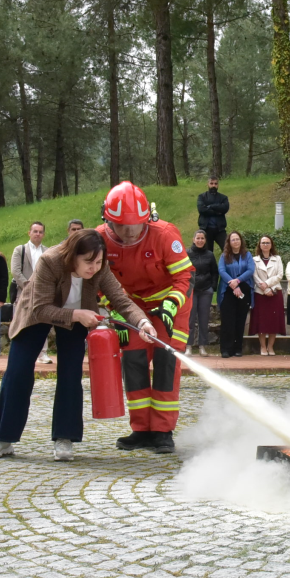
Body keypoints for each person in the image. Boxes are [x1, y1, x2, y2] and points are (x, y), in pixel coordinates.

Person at [0, 229, 156, 463]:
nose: (94, 268)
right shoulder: (49, 261)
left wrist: (143, 323)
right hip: (37, 314)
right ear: (73, 255)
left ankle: (64, 437)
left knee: (70, 375)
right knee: (17, 373)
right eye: (88, 262)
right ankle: (2, 438)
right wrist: (76, 314)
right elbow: (40, 309)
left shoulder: (99, 267)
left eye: (98, 262)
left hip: (77, 318)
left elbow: (121, 300)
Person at [97, 181, 194, 455]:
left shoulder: (164, 234)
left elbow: (184, 278)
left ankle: (163, 431)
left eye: (134, 227)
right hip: (128, 308)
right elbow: (97, 282)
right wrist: (115, 312)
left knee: (165, 364)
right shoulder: (99, 239)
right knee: (134, 363)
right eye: (121, 227)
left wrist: (171, 306)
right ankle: (141, 429)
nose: (128, 234)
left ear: (147, 219)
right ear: (107, 219)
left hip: (169, 306)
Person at [12, 221, 52, 364]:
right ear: (29, 233)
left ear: (43, 234)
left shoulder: (48, 251)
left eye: (40, 232)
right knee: (22, 321)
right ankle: (22, 352)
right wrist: (28, 286)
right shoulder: (20, 250)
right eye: (35, 231)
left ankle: (43, 353)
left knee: (43, 322)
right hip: (24, 292)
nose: (38, 234)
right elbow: (16, 271)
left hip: (42, 293)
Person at [217, 231, 254, 359]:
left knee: (240, 319)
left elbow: (250, 270)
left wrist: (237, 281)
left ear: (241, 241)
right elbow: (221, 270)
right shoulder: (224, 255)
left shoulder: (247, 255)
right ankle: (226, 349)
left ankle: (238, 348)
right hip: (227, 289)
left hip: (243, 287)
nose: (235, 241)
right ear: (229, 242)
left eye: (237, 239)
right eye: (233, 240)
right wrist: (232, 283)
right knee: (228, 320)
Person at [187, 229, 219, 357]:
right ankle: (188, 346)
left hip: (206, 290)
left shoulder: (210, 255)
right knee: (190, 319)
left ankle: (202, 346)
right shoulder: (187, 253)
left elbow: (214, 272)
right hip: (192, 290)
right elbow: (183, 271)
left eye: (202, 238)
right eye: (198, 238)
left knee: (204, 320)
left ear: (205, 240)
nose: (200, 240)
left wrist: (212, 287)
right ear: (193, 239)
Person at [197, 176, 230, 254]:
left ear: (218, 185)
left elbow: (225, 208)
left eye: (215, 183)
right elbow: (201, 210)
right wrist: (218, 211)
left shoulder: (223, 197)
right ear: (208, 184)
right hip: (206, 229)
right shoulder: (202, 197)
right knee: (207, 253)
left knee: (228, 249)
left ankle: (227, 265)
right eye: (211, 183)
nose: (213, 185)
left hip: (220, 229)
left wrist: (210, 206)